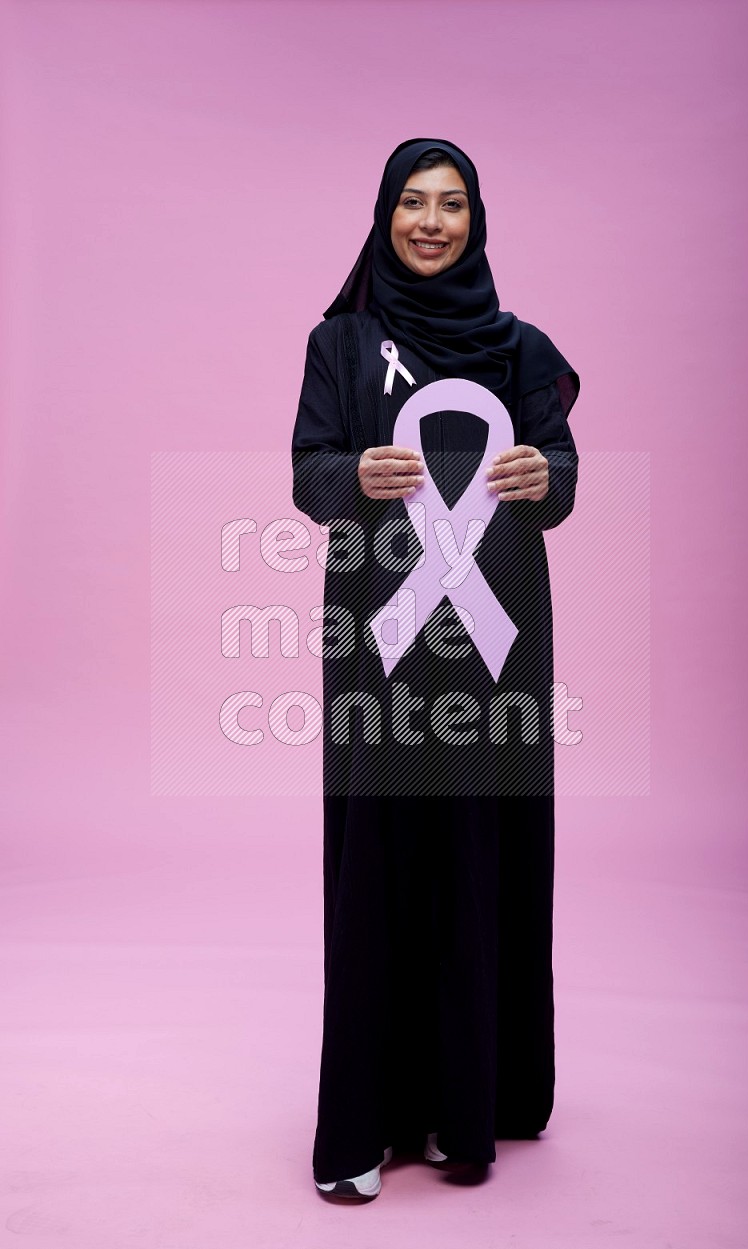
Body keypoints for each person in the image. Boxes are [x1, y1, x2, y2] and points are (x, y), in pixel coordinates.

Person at [291, 137, 580, 1201]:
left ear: (475, 220)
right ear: (383, 213)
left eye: (449, 204)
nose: (428, 221)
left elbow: (561, 476)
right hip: (379, 630)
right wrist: (349, 471)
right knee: (378, 853)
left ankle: (473, 1110)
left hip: (497, 641)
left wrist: (539, 472)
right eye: (410, 203)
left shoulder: (520, 345)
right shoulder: (340, 342)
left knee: (480, 849)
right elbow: (306, 467)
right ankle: (364, 1124)